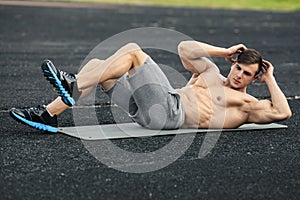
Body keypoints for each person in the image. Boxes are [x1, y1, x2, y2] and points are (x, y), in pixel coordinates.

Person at [9, 41, 292, 132]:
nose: (239, 75)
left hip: (169, 112)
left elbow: (283, 113)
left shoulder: (245, 104)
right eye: (238, 67)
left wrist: (270, 78)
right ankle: (48, 114)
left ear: (254, 79)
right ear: (233, 64)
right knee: (99, 66)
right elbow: (185, 48)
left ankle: (73, 86)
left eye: (247, 74)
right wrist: (223, 51)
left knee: (133, 51)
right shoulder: (211, 73)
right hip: (144, 110)